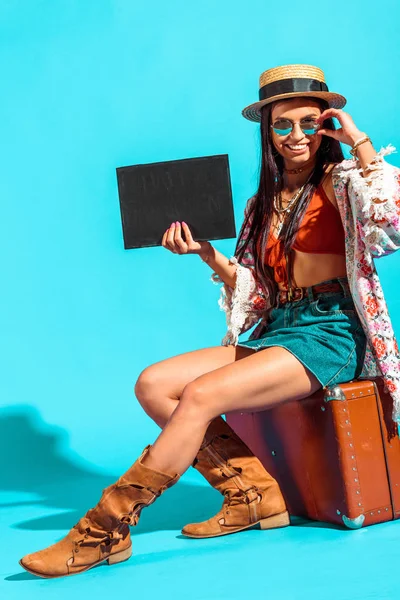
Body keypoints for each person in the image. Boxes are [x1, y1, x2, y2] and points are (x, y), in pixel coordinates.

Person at [19, 64, 400, 578]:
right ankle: (250, 497)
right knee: (154, 384)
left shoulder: (343, 181)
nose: (296, 137)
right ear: (266, 131)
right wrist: (205, 253)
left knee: (200, 395)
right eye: (282, 125)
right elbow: (260, 293)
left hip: (332, 333)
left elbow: (393, 219)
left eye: (309, 123)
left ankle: (103, 531)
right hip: (283, 328)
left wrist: (360, 142)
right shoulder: (262, 204)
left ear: (327, 123)